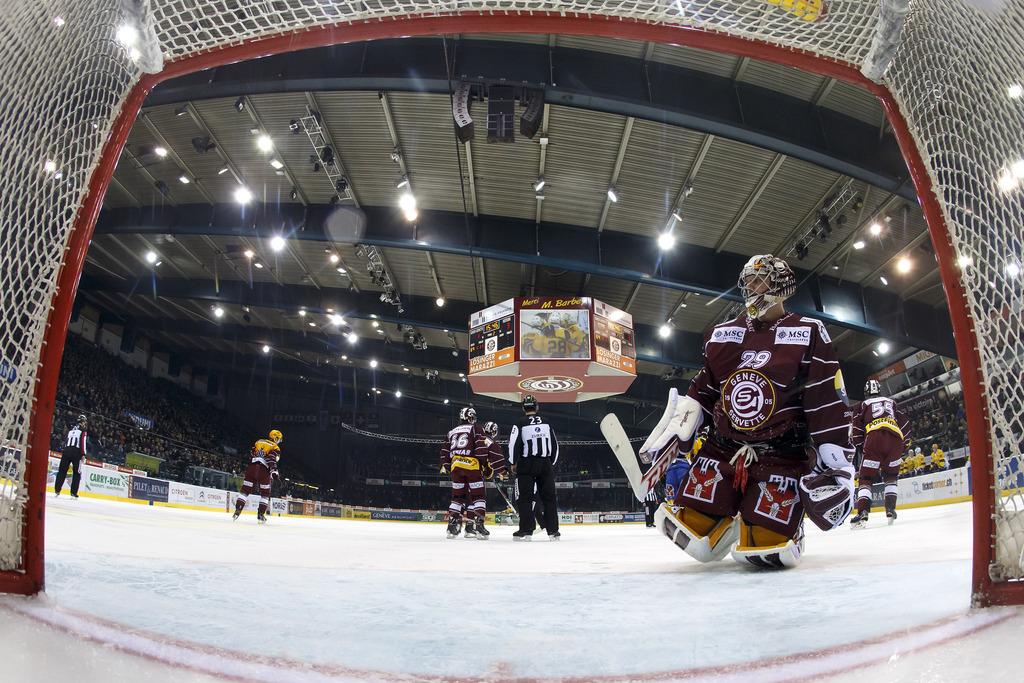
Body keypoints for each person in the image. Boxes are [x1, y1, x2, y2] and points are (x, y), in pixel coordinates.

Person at [640, 254, 854, 568]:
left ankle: (785, 524)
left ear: (782, 284)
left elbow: (826, 399)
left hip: (782, 456)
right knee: (691, 525)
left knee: (766, 549)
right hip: (722, 450)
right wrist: (680, 427)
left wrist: (837, 461)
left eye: (761, 278)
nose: (754, 286)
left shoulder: (808, 332)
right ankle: (724, 515)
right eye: (749, 280)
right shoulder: (723, 334)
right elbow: (704, 390)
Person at [849, 380, 912, 528]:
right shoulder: (891, 402)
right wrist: (905, 443)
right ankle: (891, 509)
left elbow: (856, 428)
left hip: (874, 438)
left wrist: (859, 445)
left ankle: (863, 512)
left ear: (866, 392)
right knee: (891, 477)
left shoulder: (863, 405)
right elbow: (904, 422)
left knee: (866, 478)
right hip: (896, 438)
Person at [440, 408, 503, 539]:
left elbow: (444, 454)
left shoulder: (451, 432)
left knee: (457, 498)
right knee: (478, 496)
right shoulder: (476, 429)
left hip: (456, 466)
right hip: (472, 467)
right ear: (471, 417)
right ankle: (478, 526)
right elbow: (480, 449)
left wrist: (449, 467)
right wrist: (485, 467)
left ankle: (452, 527)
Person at [508, 394, 560, 541]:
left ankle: (526, 531)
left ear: (523, 408)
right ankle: (553, 532)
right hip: (545, 464)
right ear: (536, 407)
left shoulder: (520, 423)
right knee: (549, 499)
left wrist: (512, 462)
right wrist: (551, 464)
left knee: (525, 498)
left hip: (526, 464)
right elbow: (555, 446)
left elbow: (513, 444)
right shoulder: (547, 422)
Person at [232, 429, 282, 524]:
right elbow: (271, 460)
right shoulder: (275, 447)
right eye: (278, 439)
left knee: (245, 491)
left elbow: (251, 453)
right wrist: (275, 473)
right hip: (263, 471)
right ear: (275, 438)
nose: (279, 441)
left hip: (251, 468)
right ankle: (260, 515)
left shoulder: (258, 441)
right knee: (265, 494)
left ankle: (238, 510)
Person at [55, 414, 88, 498]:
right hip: (76, 452)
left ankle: (57, 490)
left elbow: (66, 441)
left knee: (62, 471)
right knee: (77, 473)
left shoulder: (71, 430)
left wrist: (64, 450)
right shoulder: (83, 430)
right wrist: (83, 454)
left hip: (66, 451)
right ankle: (73, 493)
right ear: (83, 422)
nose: (85, 424)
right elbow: (82, 442)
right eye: (84, 422)